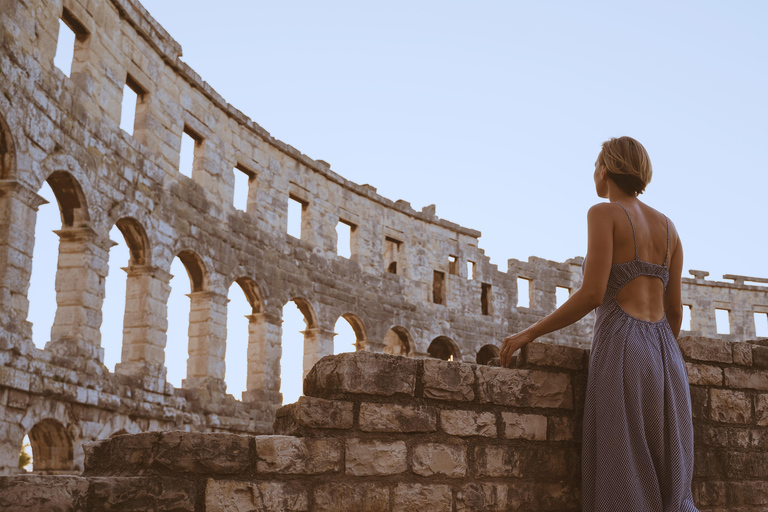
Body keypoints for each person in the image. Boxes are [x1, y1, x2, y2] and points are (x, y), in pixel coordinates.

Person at [499, 136, 698, 511]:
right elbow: (674, 312)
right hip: (666, 356)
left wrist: (530, 331)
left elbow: (592, 294)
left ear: (605, 170)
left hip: (623, 347)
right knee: (670, 470)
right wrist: (659, 353)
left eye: (595, 165)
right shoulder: (670, 229)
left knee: (625, 467)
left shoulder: (603, 213)